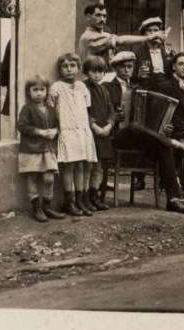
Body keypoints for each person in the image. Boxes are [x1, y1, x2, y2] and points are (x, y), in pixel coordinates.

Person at [105, 51, 184, 215]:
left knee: (163, 148)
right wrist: (114, 117)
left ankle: (173, 200)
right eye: (123, 67)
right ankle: (174, 143)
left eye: (130, 66)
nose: (126, 70)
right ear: (115, 68)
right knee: (133, 127)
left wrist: (165, 128)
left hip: (140, 137)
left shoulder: (138, 87)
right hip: (117, 136)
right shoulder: (107, 88)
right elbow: (103, 113)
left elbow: (153, 116)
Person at [48, 53, 98, 217]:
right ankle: (69, 202)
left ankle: (81, 200)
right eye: (65, 66)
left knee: (83, 166)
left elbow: (87, 109)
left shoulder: (83, 88)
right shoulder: (56, 87)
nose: (69, 69)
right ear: (60, 69)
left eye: (72, 66)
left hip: (82, 131)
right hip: (67, 130)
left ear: (78, 68)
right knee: (68, 167)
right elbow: (51, 111)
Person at [16, 76, 65, 223]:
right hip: (31, 149)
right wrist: (40, 132)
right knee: (32, 177)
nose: (39, 93)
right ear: (29, 92)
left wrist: (55, 131)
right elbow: (22, 127)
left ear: (47, 91)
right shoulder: (27, 109)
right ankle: (36, 209)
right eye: (35, 90)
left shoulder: (50, 109)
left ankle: (47, 208)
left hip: (48, 149)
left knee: (48, 178)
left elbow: (57, 124)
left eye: (42, 89)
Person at [77, 3, 163, 64]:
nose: (102, 19)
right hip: (93, 80)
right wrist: (149, 37)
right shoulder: (88, 37)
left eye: (104, 16)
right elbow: (120, 40)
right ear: (88, 17)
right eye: (98, 15)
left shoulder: (105, 35)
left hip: (105, 78)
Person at [83, 55, 115, 211]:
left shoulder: (104, 90)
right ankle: (85, 198)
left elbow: (111, 110)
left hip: (104, 133)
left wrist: (109, 125)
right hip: (90, 132)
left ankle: (94, 196)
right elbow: (83, 111)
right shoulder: (83, 88)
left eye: (100, 72)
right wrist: (94, 126)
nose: (97, 75)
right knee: (89, 165)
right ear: (86, 72)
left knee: (100, 167)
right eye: (93, 71)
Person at [131, 16, 176, 90]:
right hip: (148, 88)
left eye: (156, 30)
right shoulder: (137, 52)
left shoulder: (166, 50)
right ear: (144, 35)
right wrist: (138, 75)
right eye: (149, 31)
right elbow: (131, 77)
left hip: (166, 88)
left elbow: (173, 71)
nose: (153, 34)